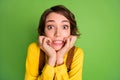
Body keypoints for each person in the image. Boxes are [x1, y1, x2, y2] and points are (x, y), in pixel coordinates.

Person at [24, 5, 84, 80]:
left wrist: (59, 58)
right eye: (50, 27)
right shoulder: (34, 49)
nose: (58, 34)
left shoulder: (76, 53)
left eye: (64, 27)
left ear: (70, 31)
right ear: (43, 31)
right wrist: (51, 59)